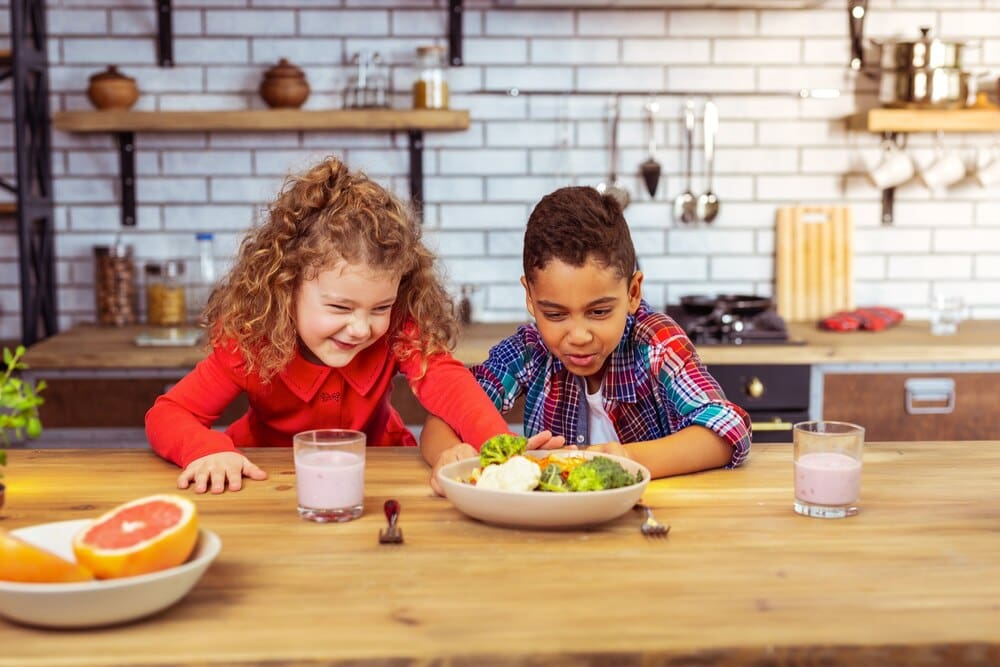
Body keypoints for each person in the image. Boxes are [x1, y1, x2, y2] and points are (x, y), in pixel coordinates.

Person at [146, 156, 517, 494]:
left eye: (380, 307)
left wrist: (502, 449)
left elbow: (450, 385)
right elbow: (169, 414)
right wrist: (206, 451)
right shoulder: (252, 338)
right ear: (285, 285)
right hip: (265, 475)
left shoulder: (400, 328)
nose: (360, 328)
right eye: (340, 306)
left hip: (379, 471)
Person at [421, 186, 751, 494]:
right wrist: (451, 454)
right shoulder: (530, 349)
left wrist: (625, 458)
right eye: (555, 314)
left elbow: (727, 431)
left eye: (599, 312)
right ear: (531, 299)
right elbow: (443, 418)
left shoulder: (657, 343)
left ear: (633, 292)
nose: (578, 336)